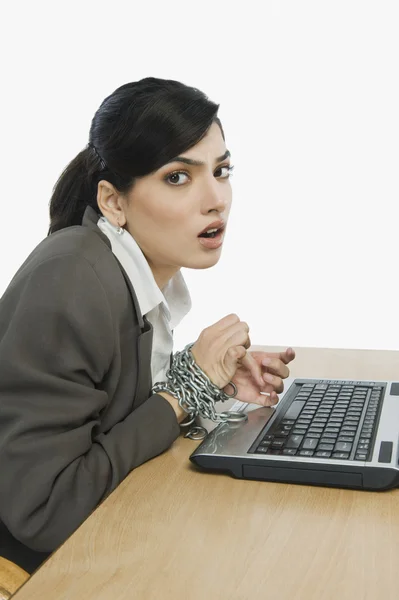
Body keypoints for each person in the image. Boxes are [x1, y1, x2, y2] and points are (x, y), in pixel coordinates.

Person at [0, 77, 295, 574]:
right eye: (178, 177)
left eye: (222, 171)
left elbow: (104, 410)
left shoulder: (124, 271)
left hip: (103, 540)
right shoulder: (73, 278)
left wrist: (207, 382)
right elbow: (45, 512)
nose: (216, 199)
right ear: (114, 201)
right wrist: (185, 389)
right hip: (39, 569)